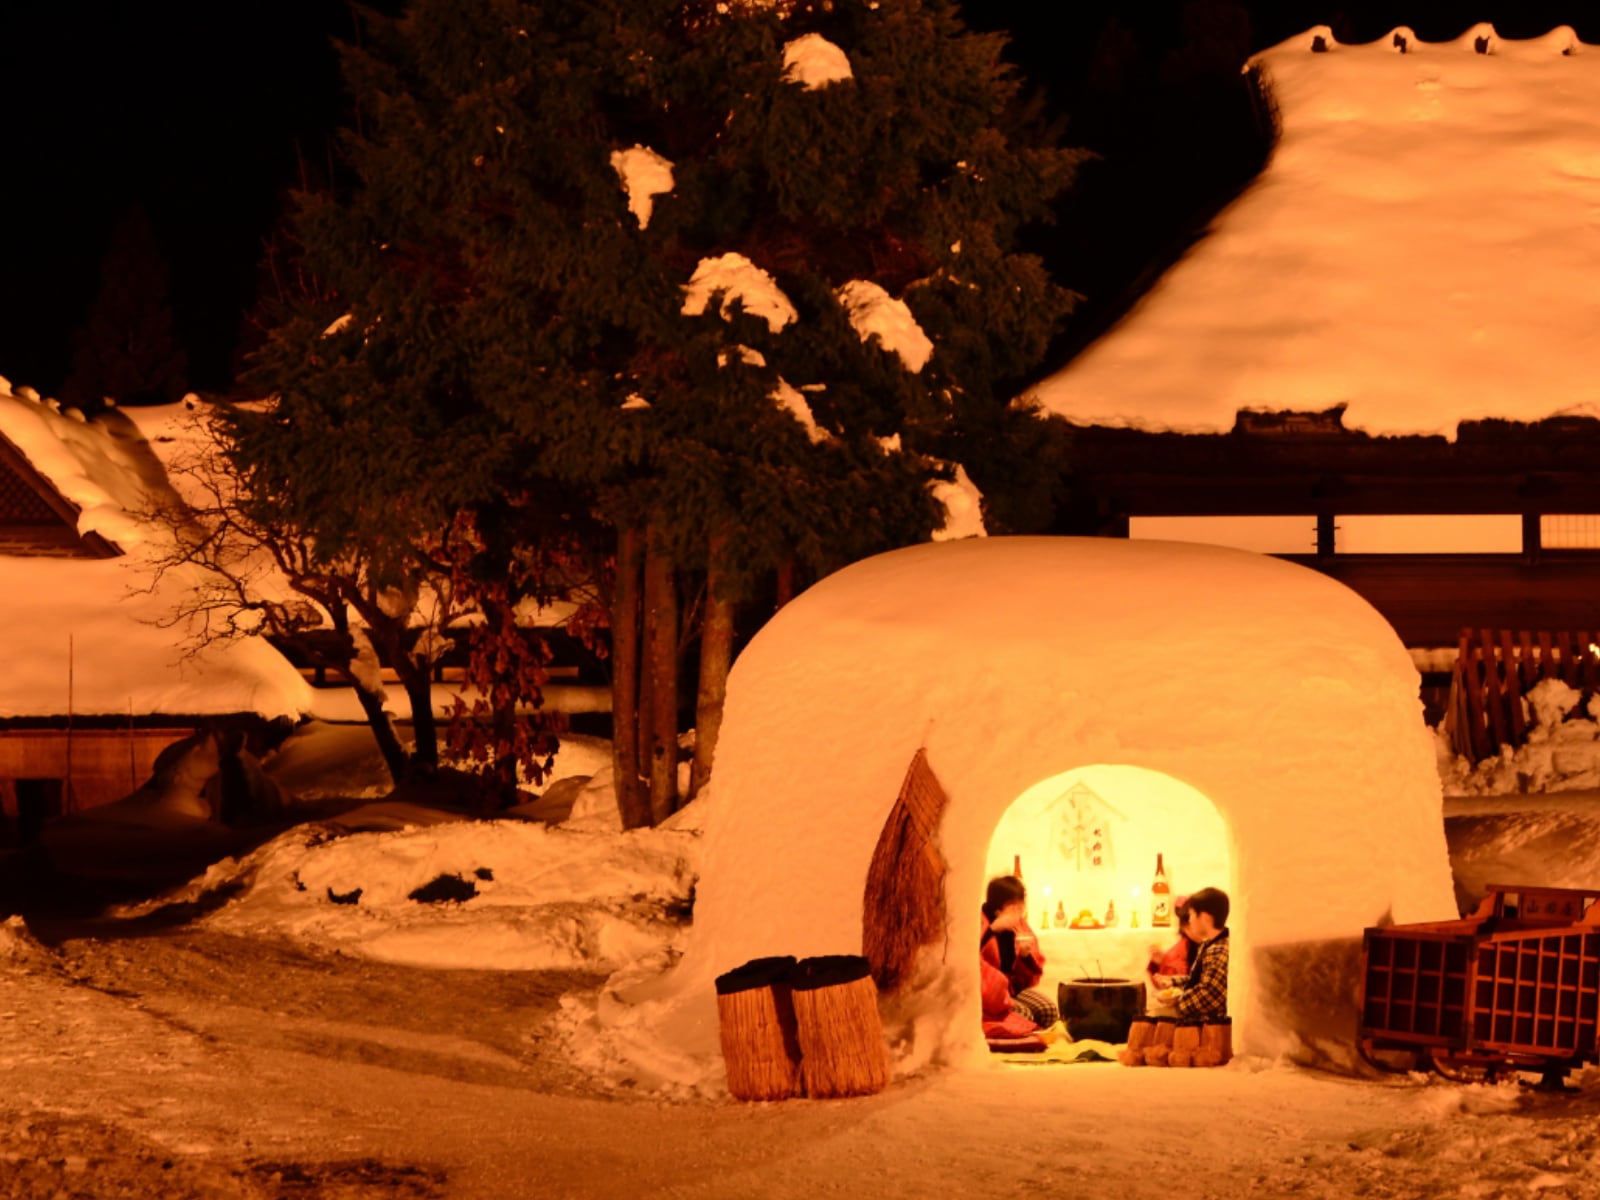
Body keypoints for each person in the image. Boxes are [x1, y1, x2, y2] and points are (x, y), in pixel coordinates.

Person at [980, 875, 1059, 1029]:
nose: (1018, 910)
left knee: (1048, 1010)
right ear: (998, 905)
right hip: (989, 995)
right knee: (1024, 1015)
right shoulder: (980, 923)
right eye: (1012, 904)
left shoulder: (1020, 925)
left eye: (1021, 905)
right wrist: (992, 931)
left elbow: (1032, 969)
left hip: (1012, 990)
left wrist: (1025, 955)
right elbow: (971, 959)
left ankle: (1033, 1040)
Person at [1156, 887, 1230, 1023]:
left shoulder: (1219, 950)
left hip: (1210, 1027)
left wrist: (1178, 1001)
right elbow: (1201, 979)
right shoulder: (1209, 944)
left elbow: (1209, 995)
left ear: (1205, 917)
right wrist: (1173, 981)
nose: (1189, 920)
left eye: (1191, 914)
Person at [1145, 897, 1197, 1013]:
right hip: (1184, 1009)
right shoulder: (1179, 950)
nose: (1190, 926)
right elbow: (1164, 988)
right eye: (1187, 923)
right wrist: (1158, 963)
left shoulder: (1213, 947)